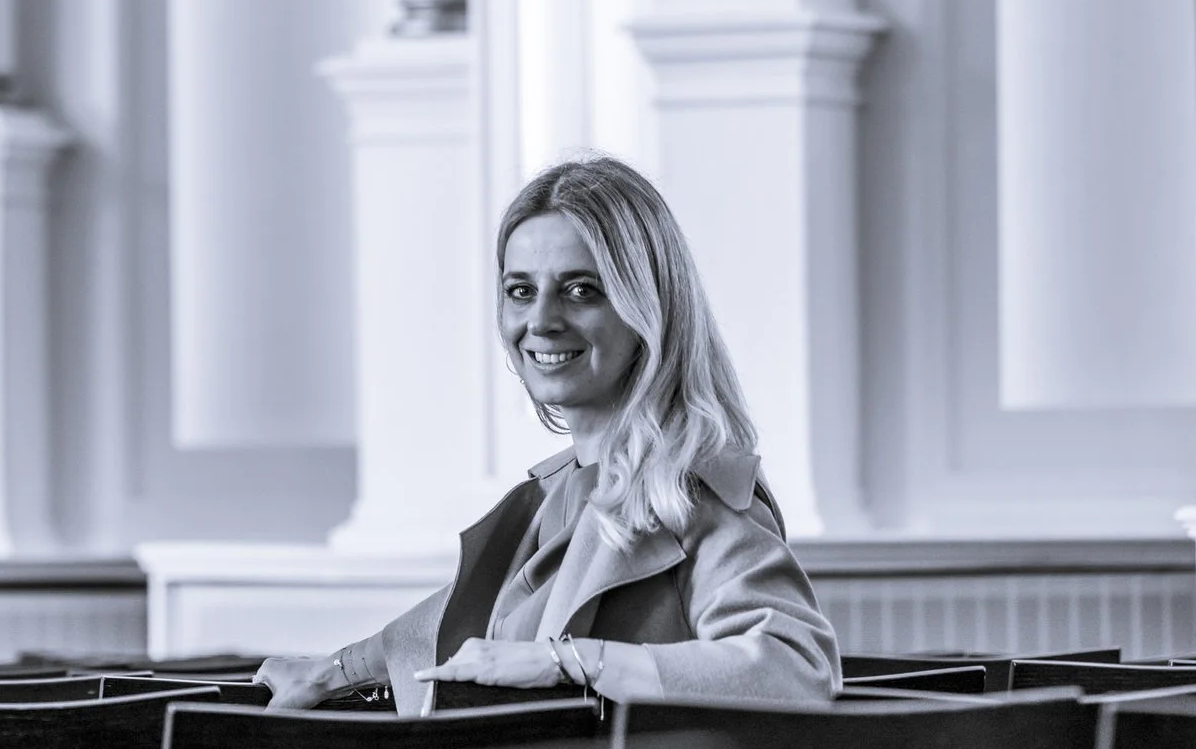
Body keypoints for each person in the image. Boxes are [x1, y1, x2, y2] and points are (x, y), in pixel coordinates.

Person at [259, 155, 838, 714]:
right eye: (521, 291)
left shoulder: (694, 491)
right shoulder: (561, 491)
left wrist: (566, 662)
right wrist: (328, 672)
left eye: (581, 290)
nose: (540, 321)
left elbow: (795, 666)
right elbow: (450, 621)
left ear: (647, 308)